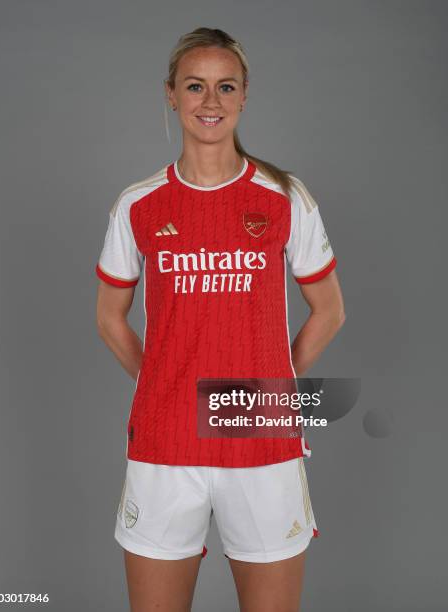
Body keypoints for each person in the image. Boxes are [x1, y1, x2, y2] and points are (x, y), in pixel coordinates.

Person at [95, 27, 345, 612]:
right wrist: (161, 380)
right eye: (195, 86)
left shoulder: (285, 197)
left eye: (225, 86)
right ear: (171, 95)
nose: (210, 102)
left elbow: (329, 310)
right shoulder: (138, 204)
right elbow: (110, 318)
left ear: (244, 95)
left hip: (261, 444)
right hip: (163, 444)